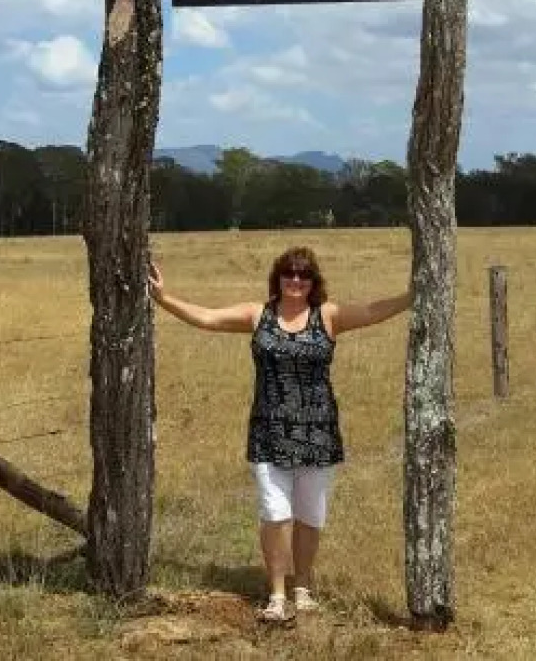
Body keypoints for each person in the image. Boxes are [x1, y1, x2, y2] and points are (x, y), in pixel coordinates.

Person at [148, 244, 411, 623]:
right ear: (278, 278)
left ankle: (301, 586)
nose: (296, 280)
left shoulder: (328, 315)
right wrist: (164, 298)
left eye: (304, 274)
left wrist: (415, 292)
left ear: (313, 281)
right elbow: (206, 318)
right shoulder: (258, 315)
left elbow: (373, 311)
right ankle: (276, 593)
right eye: (289, 273)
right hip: (269, 432)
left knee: (310, 515)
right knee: (275, 513)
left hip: (317, 432)